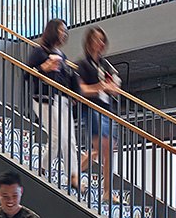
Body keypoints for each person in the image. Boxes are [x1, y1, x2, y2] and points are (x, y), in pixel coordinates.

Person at [26, 19, 119, 191]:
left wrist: (76, 94)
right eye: (62, 31)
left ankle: (74, 176)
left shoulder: (62, 56)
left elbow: (68, 78)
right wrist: (43, 68)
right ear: (53, 31)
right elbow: (27, 73)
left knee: (70, 140)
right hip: (44, 99)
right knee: (57, 138)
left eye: (66, 32)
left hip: (63, 100)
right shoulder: (39, 52)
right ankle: (43, 168)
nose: (64, 34)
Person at [75, 27, 122, 203]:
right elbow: (82, 90)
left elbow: (116, 85)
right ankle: (74, 174)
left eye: (102, 40)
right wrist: (102, 87)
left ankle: (107, 191)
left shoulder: (105, 64)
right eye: (97, 39)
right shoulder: (83, 64)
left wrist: (110, 87)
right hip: (92, 109)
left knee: (106, 151)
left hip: (107, 110)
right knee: (103, 148)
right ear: (89, 42)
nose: (100, 43)